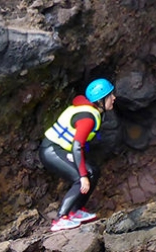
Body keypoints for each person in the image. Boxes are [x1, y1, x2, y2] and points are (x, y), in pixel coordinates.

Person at [40, 78, 116, 232]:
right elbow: (77, 146)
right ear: (100, 100)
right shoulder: (87, 118)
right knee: (81, 178)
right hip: (51, 151)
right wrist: (82, 176)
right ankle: (61, 218)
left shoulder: (94, 112)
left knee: (93, 171)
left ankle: (76, 210)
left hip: (62, 150)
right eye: (110, 95)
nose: (114, 97)